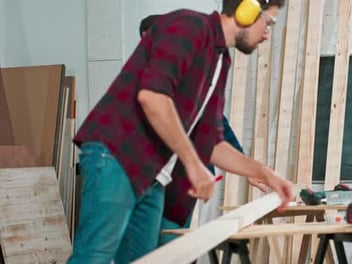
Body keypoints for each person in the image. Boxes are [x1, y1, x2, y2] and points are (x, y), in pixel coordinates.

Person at [68, 0, 291, 263]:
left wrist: (265, 173)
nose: (267, 33)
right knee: (93, 258)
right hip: (117, 154)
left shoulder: (220, 59)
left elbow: (212, 143)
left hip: (152, 174)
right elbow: (153, 97)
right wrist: (193, 164)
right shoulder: (189, 26)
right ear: (247, 11)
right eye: (269, 22)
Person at [138, 14, 265, 245]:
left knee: (170, 241)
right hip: (150, 175)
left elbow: (217, 126)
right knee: (144, 246)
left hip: (183, 177)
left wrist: (249, 170)